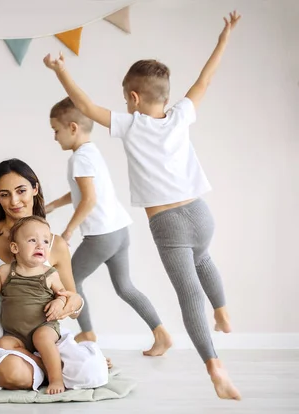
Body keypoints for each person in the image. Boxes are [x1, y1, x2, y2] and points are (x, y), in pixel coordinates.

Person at [43, 11, 242, 400]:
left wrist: (59, 71)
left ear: (133, 98)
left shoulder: (130, 125)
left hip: (168, 223)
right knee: (205, 262)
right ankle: (222, 310)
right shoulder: (181, 115)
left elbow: (83, 103)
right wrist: (225, 39)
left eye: (124, 98)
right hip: (201, 214)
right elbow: (206, 78)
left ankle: (214, 366)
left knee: (187, 295)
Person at [0, 158, 96, 391]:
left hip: (40, 332)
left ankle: (53, 366)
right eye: (4, 194)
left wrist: (66, 304)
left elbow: (74, 300)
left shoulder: (55, 244)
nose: (14, 201)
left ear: (35, 188)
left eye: (21, 191)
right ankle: (53, 368)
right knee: (14, 374)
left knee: (91, 371)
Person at [45, 97, 171, 356]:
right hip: (119, 231)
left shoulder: (79, 159)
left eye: (56, 131)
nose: (54, 138)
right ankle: (161, 334)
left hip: (101, 236)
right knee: (125, 287)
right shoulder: (90, 152)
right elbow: (83, 192)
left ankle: (87, 332)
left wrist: (68, 231)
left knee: (70, 281)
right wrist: (55, 204)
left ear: (72, 128)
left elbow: (89, 199)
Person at [0, 216, 71, 394]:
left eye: (45, 241)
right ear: (15, 247)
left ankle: (56, 379)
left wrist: (59, 302)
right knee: (1, 344)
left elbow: (64, 294)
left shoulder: (49, 274)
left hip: (44, 326)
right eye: (32, 240)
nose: (40, 245)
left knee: (41, 338)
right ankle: (40, 363)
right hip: (15, 334)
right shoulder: (6, 271)